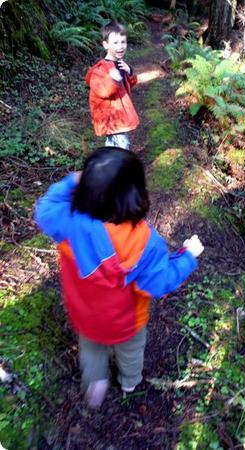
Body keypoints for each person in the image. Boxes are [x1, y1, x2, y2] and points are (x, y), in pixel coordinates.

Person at [34, 147, 204, 408]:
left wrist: (71, 181)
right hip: (126, 321)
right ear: (135, 194)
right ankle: (129, 382)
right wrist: (187, 256)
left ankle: (95, 384)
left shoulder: (66, 222)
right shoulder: (145, 242)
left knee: (91, 349)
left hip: (84, 316)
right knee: (131, 352)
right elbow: (159, 283)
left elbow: (44, 209)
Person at [85, 23, 139, 150]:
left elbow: (127, 84)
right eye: (115, 43)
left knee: (113, 146)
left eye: (123, 42)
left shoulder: (120, 64)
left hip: (119, 114)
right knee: (122, 146)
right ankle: (120, 168)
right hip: (112, 117)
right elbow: (102, 91)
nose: (120, 47)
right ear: (105, 45)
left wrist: (129, 71)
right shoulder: (101, 68)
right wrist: (112, 80)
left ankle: (111, 166)